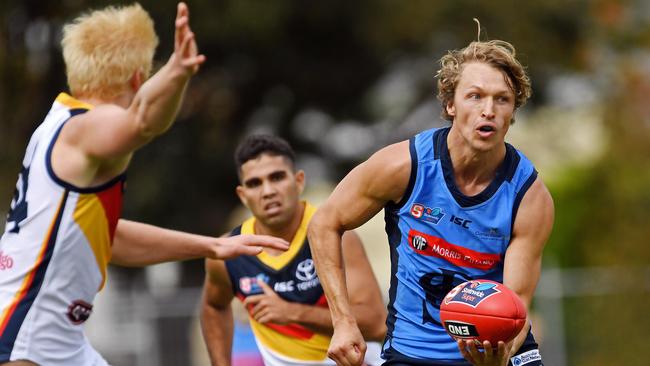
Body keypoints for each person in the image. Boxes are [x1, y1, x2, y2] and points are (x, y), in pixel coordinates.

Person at [0, 4, 288, 366]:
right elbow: (142, 122)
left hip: (58, 339)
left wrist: (211, 245)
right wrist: (177, 72)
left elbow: (109, 239)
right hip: (29, 338)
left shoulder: (57, 126)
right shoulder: (88, 127)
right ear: (138, 78)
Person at [308, 38, 554, 366]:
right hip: (413, 353)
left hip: (496, 347)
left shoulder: (529, 196)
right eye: (475, 96)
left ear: (512, 112)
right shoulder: (403, 167)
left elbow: (517, 305)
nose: (488, 110)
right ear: (451, 105)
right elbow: (324, 223)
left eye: (502, 100)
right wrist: (343, 322)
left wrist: (501, 355)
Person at [201, 134, 387, 366]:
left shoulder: (337, 235)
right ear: (243, 195)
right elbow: (214, 306)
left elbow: (377, 323)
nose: (267, 191)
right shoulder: (229, 252)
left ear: (298, 181)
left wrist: (291, 312)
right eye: (254, 183)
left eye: (277, 177)